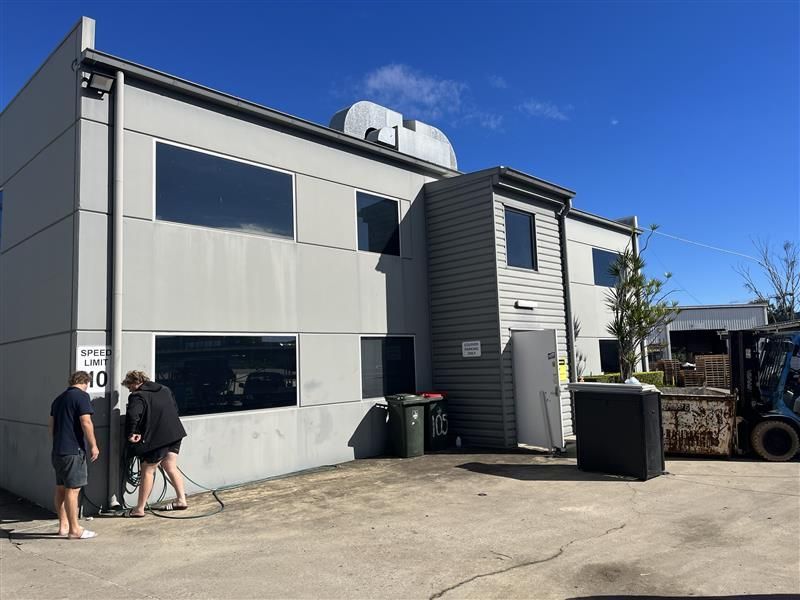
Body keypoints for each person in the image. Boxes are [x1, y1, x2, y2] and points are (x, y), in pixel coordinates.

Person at [123, 370, 188, 517]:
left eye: (129, 386)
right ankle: (181, 500)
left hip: (157, 438)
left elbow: (134, 416)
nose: (130, 389)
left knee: (147, 470)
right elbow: (175, 409)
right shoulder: (164, 389)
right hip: (175, 433)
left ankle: (139, 509)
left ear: (134, 382)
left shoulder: (137, 396)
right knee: (170, 466)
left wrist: (132, 433)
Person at [50, 371, 100, 539]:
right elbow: (86, 422)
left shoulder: (58, 399)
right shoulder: (81, 397)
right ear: (86, 382)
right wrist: (93, 445)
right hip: (73, 450)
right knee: (73, 490)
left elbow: (51, 426)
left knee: (61, 488)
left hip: (58, 450)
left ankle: (63, 525)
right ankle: (75, 529)